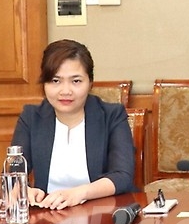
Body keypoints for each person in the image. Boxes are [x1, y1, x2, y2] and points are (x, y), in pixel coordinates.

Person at [11, 39, 135, 209]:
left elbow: (122, 175)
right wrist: (24, 190)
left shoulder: (112, 116)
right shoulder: (31, 117)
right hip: (48, 213)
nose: (65, 91)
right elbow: (14, 173)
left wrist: (79, 193)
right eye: (56, 81)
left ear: (90, 83)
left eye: (76, 81)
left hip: (102, 214)